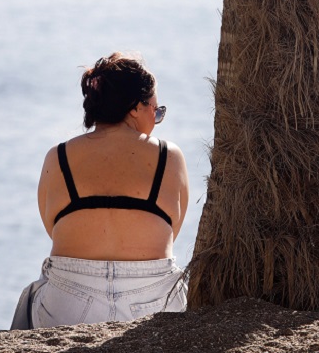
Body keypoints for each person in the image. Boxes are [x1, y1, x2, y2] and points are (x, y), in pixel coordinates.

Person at [11, 53, 190, 328]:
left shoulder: (58, 157)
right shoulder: (169, 156)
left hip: (68, 300)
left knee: (30, 296)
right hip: (153, 296)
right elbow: (171, 229)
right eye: (156, 110)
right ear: (135, 108)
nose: (156, 119)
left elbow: (53, 226)